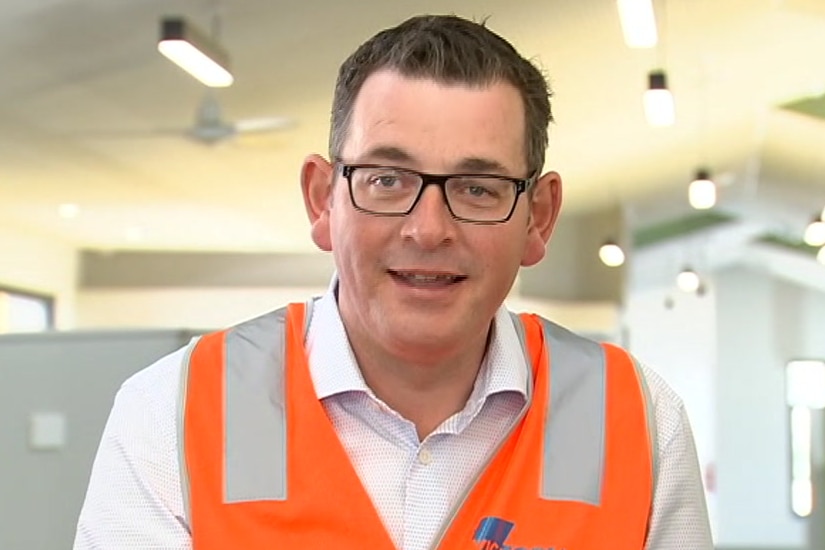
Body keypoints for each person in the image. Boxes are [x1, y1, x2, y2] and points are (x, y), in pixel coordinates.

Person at [74, 14, 713, 550]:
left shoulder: (638, 421)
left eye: (478, 188)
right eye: (387, 180)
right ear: (323, 200)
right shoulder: (173, 415)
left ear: (538, 218)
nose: (427, 228)